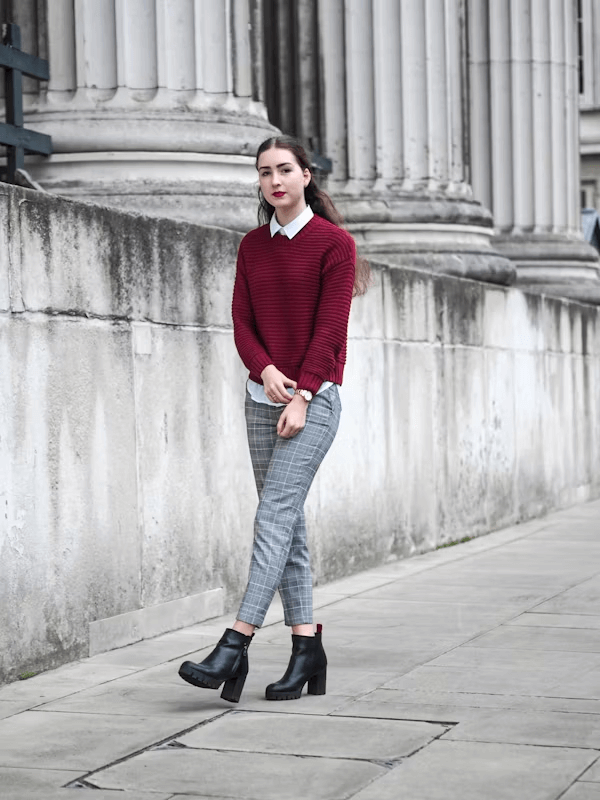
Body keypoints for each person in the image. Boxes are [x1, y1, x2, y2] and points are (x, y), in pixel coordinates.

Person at [179, 134, 370, 703]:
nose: (274, 181)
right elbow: (241, 321)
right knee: (288, 528)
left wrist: (303, 394)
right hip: (261, 399)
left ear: (307, 175)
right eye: (264, 173)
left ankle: (235, 641)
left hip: (314, 401)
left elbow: (330, 328)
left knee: (273, 516)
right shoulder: (251, 247)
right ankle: (307, 645)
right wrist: (263, 372)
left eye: (284, 169)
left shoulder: (334, 244)